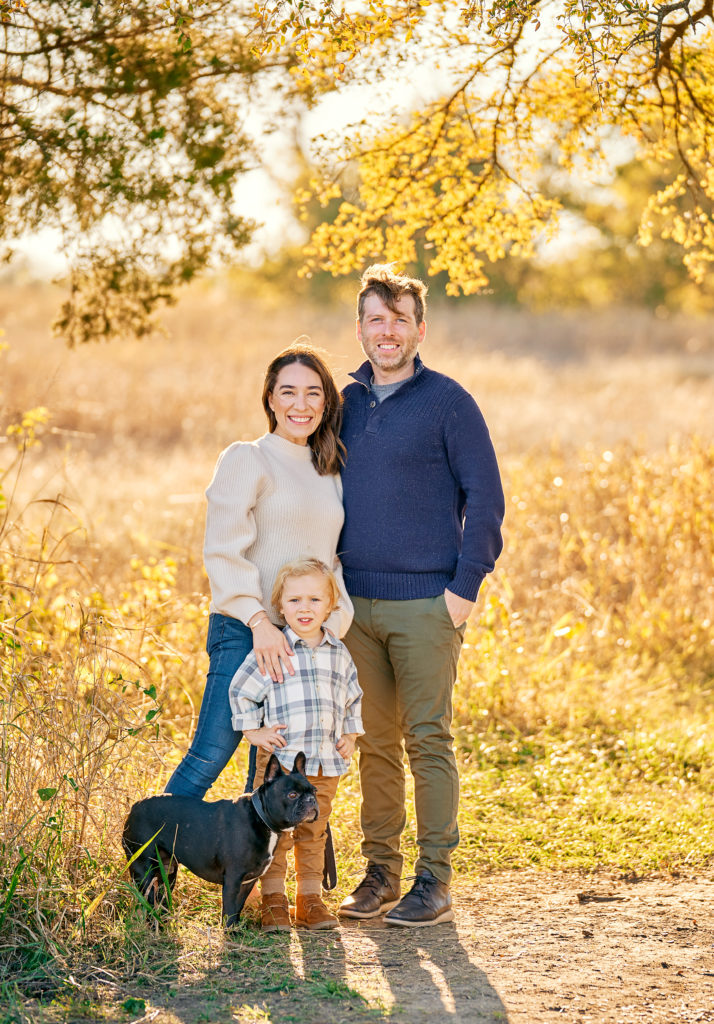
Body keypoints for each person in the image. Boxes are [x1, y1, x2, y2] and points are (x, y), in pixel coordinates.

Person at [337, 264, 504, 927]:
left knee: (427, 739)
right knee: (374, 742)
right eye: (376, 318)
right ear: (361, 328)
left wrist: (463, 590)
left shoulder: (449, 402)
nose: (388, 330)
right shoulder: (342, 403)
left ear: (419, 329)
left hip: (427, 605)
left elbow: (487, 499)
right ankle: (380, 871)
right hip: (354, 607)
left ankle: (434, 878)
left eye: (400, 318)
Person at [165, 345, 353, 798]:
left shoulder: (329, 470)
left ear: (326, 402)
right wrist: (259, 623)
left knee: (276, 769)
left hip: (302, 638)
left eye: (313, 394)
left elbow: (332, 560)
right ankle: (149, 859)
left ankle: (258, 870)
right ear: (270, 398)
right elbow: (224, 550)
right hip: (244, 630)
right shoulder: (246, 458)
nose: (300, 405)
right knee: (210, 753)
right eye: (288, 392)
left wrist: (333, 623)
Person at [229, 557, 363, 931]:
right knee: (276, 835)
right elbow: (241, 691)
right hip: (281, 765)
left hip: (324, 763)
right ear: (280, 606)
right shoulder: (275, 649)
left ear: (331, 605)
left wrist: (350, 735)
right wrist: (253, 732)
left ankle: (310, 900)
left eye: (315, 601)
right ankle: (273, 901)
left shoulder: (339, 652)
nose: (305, 608)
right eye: (294, 601)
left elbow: (352, 697)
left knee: (314, 832)